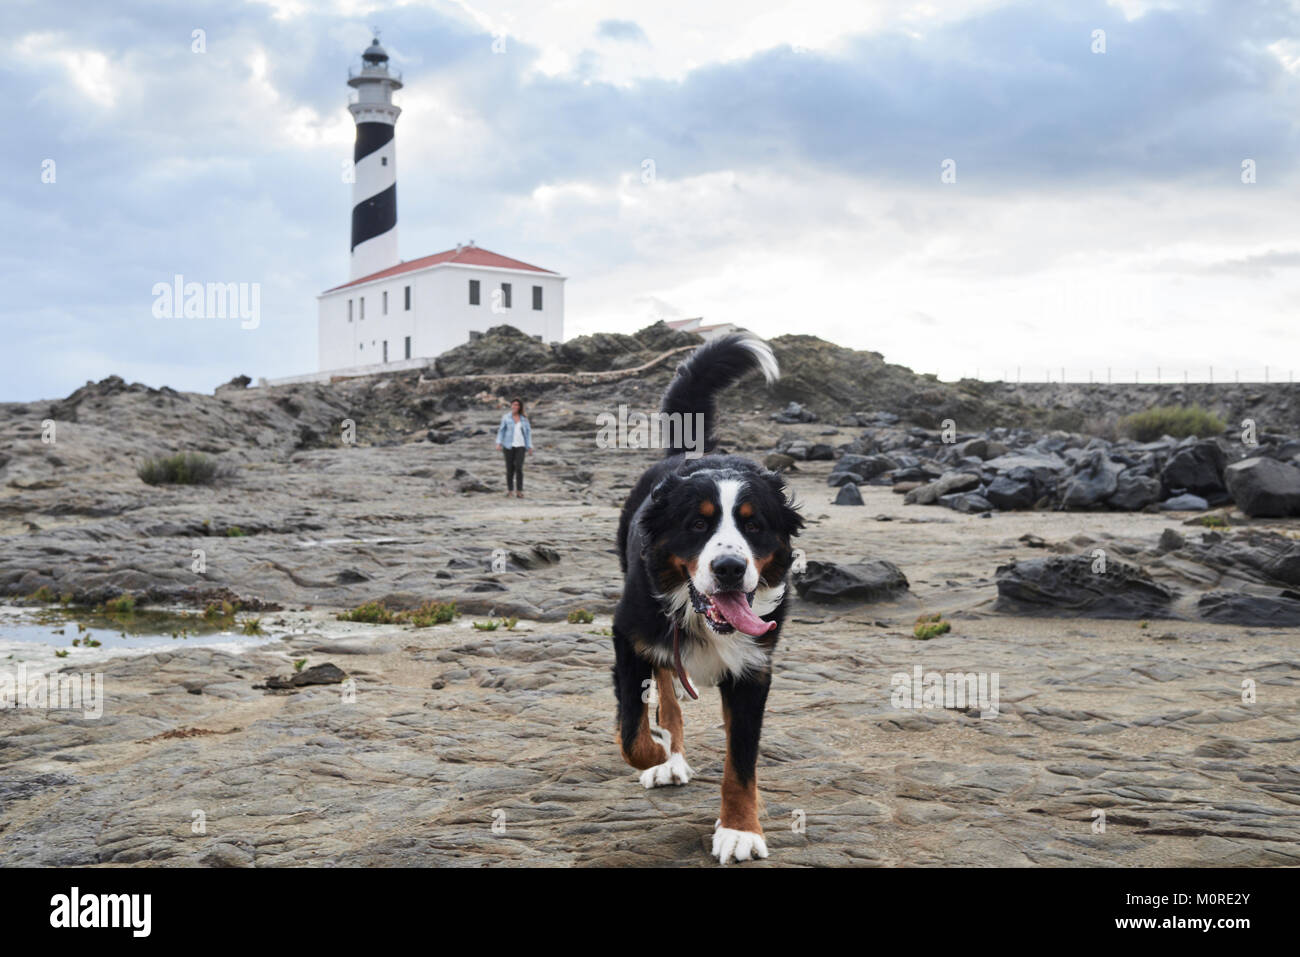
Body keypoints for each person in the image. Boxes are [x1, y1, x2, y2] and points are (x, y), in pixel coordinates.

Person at [495, 397, 532, 497]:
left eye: (517, 405)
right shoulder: (506, 417)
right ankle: (510, 490)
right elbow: (501, 431)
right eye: (514, 404)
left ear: (520, 407)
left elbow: (528, 433)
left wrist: (529, 446)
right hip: (508, 446)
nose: (515, 406)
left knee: (519, 467)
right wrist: (498, 442)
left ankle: (519, 491)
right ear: (511, 406)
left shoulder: (524, 419)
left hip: (521, 446)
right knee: (509, 469)